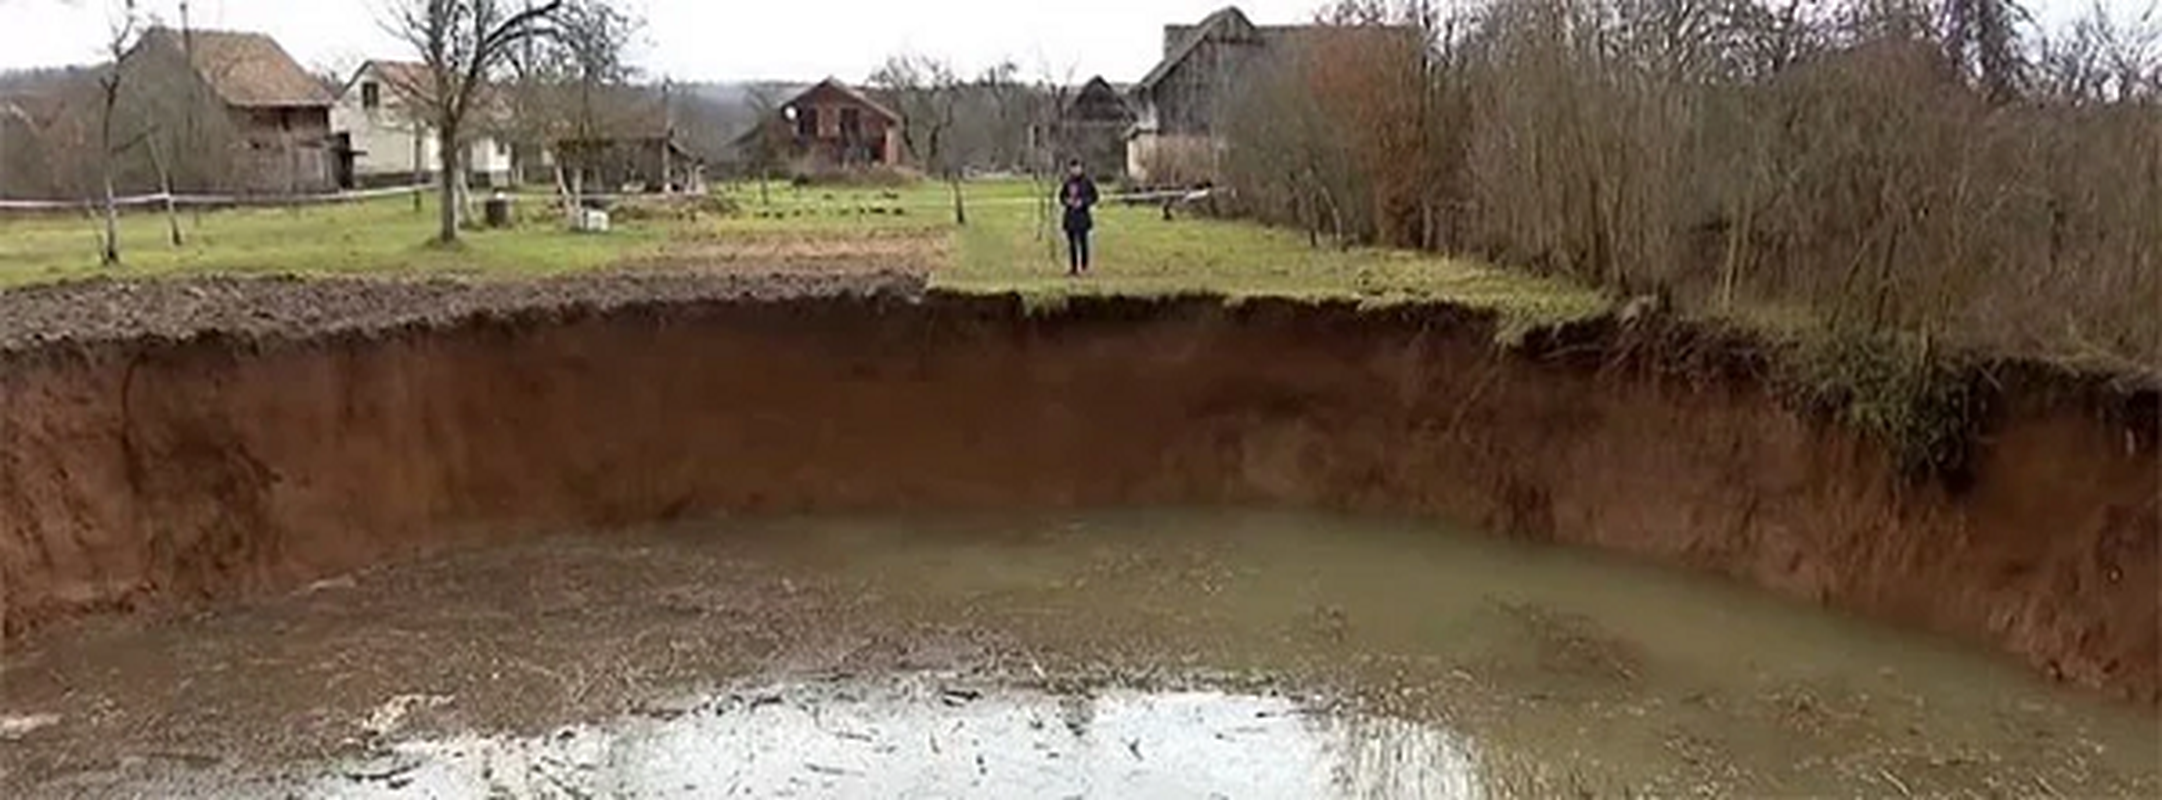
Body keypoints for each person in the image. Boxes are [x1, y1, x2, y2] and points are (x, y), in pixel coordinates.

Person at [1058, 160, 1099, 276]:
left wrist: (1083, 203)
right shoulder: (1067, 182)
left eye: (1077, 168)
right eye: (1073, 168)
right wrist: (1067, 201)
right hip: (1070, 217)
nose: (1075, 170)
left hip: (1082, 218)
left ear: (1081, 168)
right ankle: (1073, 268)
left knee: (1083, 243)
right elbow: (1061, 197)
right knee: (1071, 245)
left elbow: (1094, 197)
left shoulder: (1087, 182)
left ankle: (1085, 267)